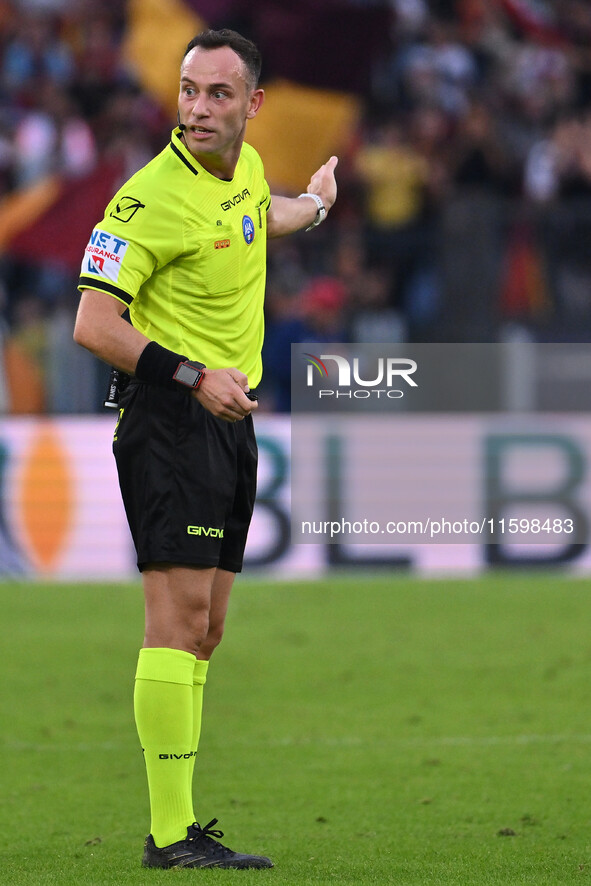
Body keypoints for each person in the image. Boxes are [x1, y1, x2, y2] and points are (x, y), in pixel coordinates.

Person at [73, 28, 338, 871]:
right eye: (189, 90)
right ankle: (169, 835)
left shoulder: (248, 170)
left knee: (208, 629)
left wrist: (319, 204)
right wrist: (192, 377)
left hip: (230, 420)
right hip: (169, 419)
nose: (197, 108)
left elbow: (265, 213)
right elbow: (92, 324)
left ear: (252, 105)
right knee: (176, 622)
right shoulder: (145, 200)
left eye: (218, 94)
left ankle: (179, 830)